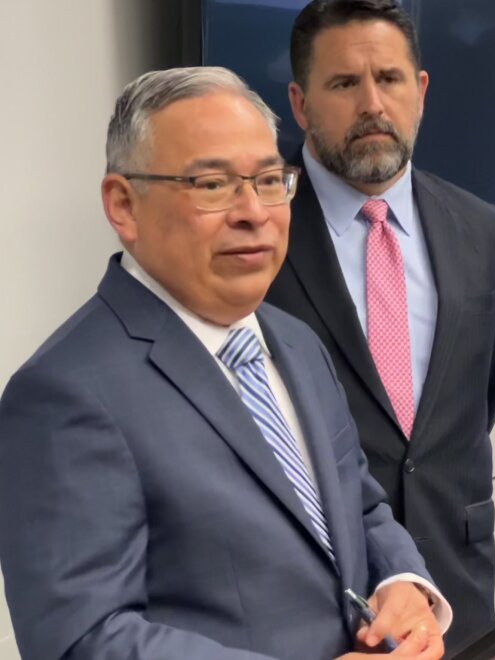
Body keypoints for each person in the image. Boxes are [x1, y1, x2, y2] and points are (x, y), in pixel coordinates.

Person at [0, 66, 451, 660]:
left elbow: (358, 505)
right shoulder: (63, 394)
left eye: (269, 179)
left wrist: (404, 585)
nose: (253, 212)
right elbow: (83, 639)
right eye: (212, 185)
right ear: (123, 205)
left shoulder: (295, 342)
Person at [265, 0, 495, 647]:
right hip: (321, 597)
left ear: (421, 91)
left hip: (458, 592)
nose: (372, 104)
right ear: (300, 104)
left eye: (390, 79)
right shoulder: (259, 236)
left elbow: (478, 399)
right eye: (344, 84)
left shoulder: (485, 230)